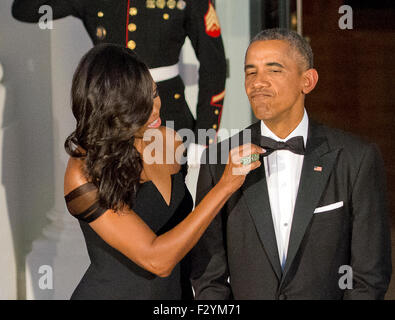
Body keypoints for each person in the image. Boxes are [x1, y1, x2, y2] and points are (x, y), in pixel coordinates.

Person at [189, 28, 392, 300]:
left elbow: (369, 276)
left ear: (307, 81)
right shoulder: (218, 158)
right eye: (250, 72)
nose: (257, 83)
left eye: (273, 70)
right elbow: (208, 274)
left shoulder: (356, 159)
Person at [63, 43, 263, 300]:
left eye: (154, 93)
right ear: (111, 107)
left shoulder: (169, 140)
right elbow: (157, 259)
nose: (155, 108)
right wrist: (224, 186)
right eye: (139, 103)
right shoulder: (82, 172)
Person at [12, 0, 226, 146]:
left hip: (166, 116)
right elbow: (26, 10)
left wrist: (202, 140)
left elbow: (213, 64)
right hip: (109, 120)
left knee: (172, 203)